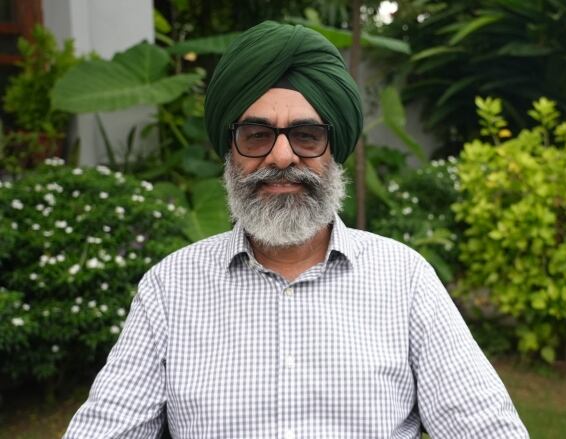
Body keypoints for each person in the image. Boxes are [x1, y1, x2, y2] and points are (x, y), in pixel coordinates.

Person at [64, 21, 529, 439]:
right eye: (256, 135)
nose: (282, 157)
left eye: (307, 136)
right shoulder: (170, 288)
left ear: (334, 151)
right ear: (230, 152)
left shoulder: (404, 279)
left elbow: (485, 427)